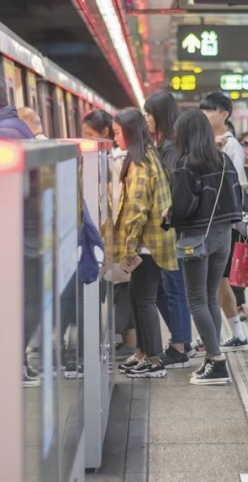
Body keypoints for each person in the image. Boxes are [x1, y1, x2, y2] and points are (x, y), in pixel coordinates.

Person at [165, 110, 243, 385]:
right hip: (223, 236)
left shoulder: (187, 164)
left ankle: (217, 361)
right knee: (211, 298)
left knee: (196, 299)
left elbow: (184, 207)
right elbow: (237, 197)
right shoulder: (222, 160)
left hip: (196, 238)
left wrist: (169, 214)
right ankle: (213, 358)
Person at [110, 109, 176, 379]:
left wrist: (128, 247)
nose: (115, 139)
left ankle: (155, 359)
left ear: (129, 132)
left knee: (145, 301)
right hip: (147, 243)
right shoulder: (145, 157)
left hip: (147, 245)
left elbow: (136, 210)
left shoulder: (140, 163)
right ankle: (142, 352)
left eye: (117, 133)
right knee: (138, 298)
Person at [143, 91, 193, 368]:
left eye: (149, 114)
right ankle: (181, 339)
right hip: (165, 227)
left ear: (159, 116)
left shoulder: (171, 147)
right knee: (164, 286)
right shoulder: (164, 144)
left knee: (172, 287)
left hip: (171, 227)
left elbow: (173, 186)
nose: (146, 119)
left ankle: (179, 345)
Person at [81, 110, 135, 358]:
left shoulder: (116, 160)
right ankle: (128, 342)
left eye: (89, 135)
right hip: (113, 235)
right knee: (120, 290)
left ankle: (131, 344)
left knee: (123, 291)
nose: (85, 139)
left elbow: (113, 200)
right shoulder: (110, 159)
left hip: (117, 235)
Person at [200, 92, 248, 351]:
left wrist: (231, 222)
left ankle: (216, 337)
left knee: (216, 282)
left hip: (223, 225)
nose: (205, 116)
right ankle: (237, 334)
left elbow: (237, 186)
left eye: (209, 111)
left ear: (224, 114)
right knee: (219, 282)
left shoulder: (231, 146)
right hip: (218, 224)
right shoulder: (213, 143)